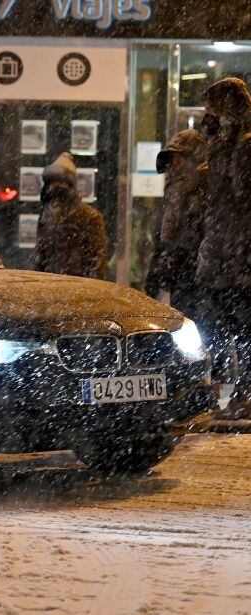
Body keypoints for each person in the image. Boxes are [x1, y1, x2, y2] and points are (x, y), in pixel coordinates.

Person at [195, 77, 251, 417]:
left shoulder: (244, 145)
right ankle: (219, 392)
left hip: (240, 256)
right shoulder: (222, 144)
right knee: (217, 329)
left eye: (212, 109)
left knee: (243, 331)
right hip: (218, 254)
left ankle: (244, 393)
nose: (207, 116)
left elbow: (242, 196)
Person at [145, 129, 208, 320]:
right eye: (172, 160)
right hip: (182, 272)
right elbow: (164, 232)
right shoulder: (174, 192)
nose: (174, 166)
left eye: (178, 158)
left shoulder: (206, 187)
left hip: (197, 273)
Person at [35, 152, 108, 279]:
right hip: (49, 287)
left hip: (79, 289)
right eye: (52, 182)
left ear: (71, 186)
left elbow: (98, 261)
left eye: (61, 182)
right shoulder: (45, 217)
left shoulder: (90, 217)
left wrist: (90, 290)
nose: (55, 187)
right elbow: (40, 257)